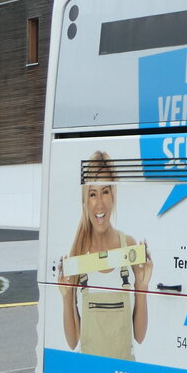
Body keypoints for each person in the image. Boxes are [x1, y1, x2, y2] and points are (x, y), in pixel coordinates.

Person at [58, 150, 152, 360]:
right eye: (93, 193)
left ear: (114, 194)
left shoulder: (128, 246)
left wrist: (142, 287)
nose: (99, 203)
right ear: (85, 199)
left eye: (105, 192)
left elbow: (140, 335)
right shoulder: (79, 254)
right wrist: (66, 298)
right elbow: (72, 341)